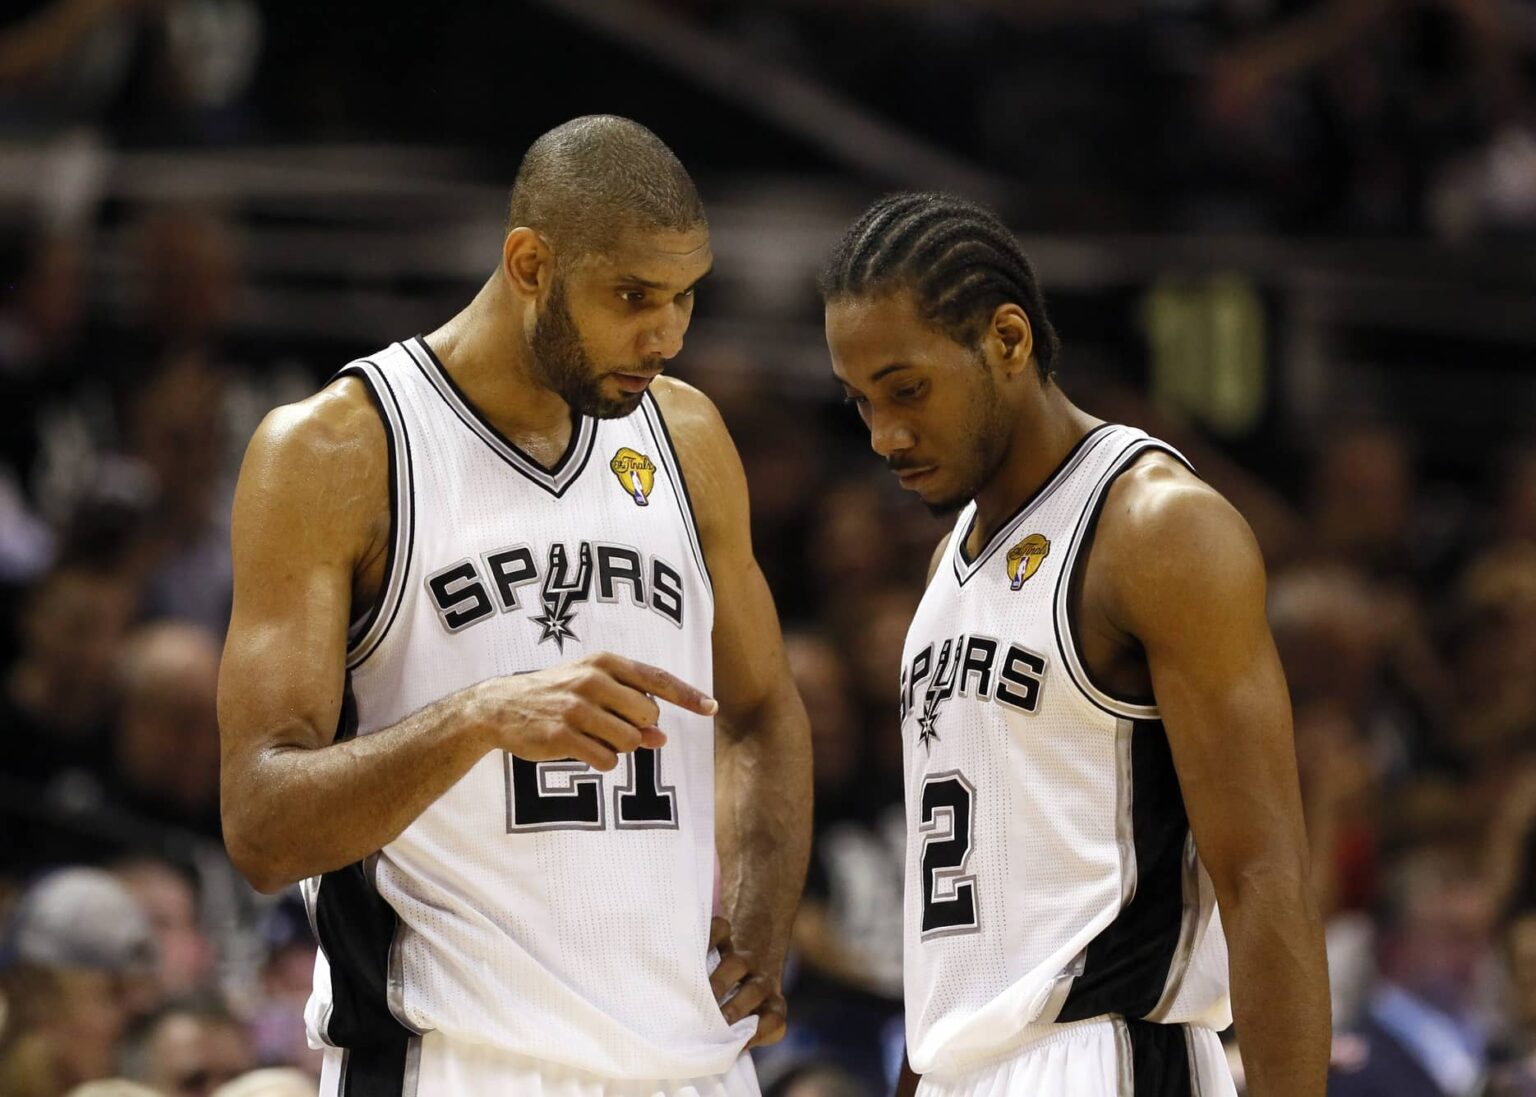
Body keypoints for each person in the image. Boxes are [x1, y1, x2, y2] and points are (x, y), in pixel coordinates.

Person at [217, 115, 812, 1096]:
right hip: (457, 1056)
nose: (663, 333)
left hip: (686, 1060)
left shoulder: (688, 435)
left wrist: (758, 913)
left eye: (684, 298)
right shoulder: (338, 450)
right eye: (632, 295)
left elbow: (761, 708)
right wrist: (480, 715)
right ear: (531, 262)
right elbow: (262, 824)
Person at [819, 193, 1329, 1096]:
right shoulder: (947, 564)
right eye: (860, 402)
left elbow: (1263, 874)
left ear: (1008, 341)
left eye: (906, 390)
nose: (884, 436)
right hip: (960, 1066)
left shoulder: (1156, 529)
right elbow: (962, 935)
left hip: (1104, 1055)